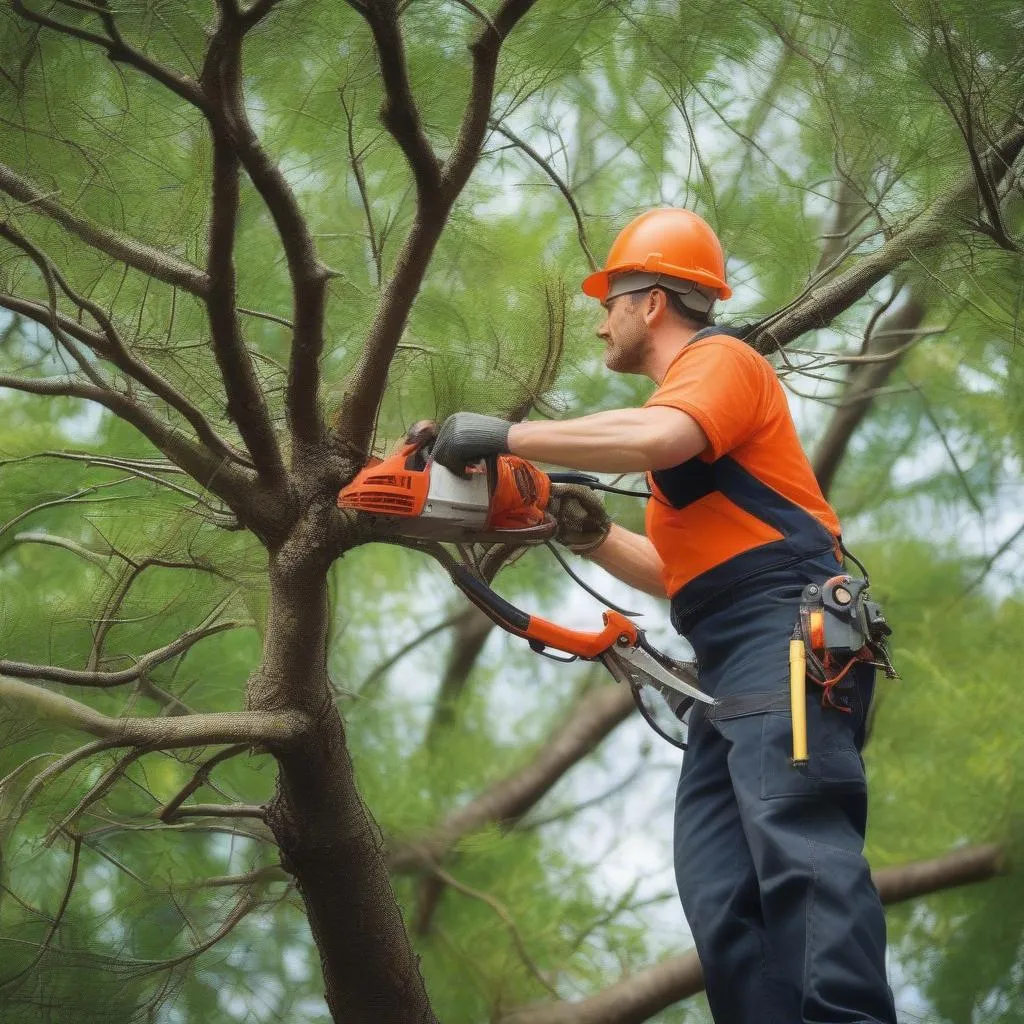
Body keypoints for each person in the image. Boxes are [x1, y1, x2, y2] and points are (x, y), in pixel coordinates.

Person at [431, 208, 898, 1024]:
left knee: (800, 853)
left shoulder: (721, 363)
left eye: (609, 299)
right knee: (722, 895)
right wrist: (590, 530)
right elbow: (682, 572)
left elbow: (664, 436)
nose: (600, 319)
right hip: (729, 660)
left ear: (650, 303)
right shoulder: (675, 422)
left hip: (783, 638)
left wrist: (510, 435)